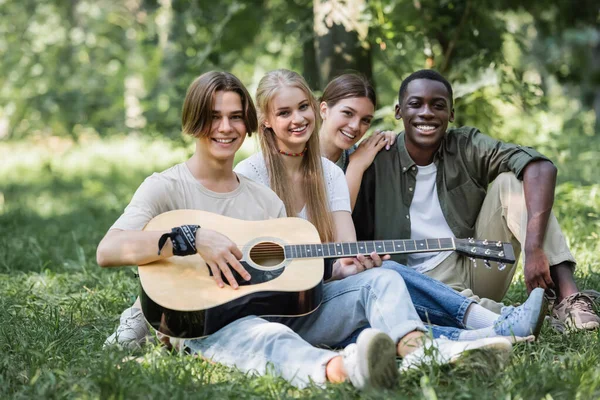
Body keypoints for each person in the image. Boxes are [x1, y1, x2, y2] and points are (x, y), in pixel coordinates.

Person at [97, 70, 512, 390]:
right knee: (267, 335)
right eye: (213, 117)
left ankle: (419, 351)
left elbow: (283, 275)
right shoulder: (166, 186)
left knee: (380, 280)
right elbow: (109, 250)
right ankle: (346, 369)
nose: (224, 128)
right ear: (193, 122)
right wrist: (191, 237)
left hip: (279, 310)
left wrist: (344, 271)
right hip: (208, 322)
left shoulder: (264, 200)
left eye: (234, 118)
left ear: (247, 126)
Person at [351, 69, 600, 331]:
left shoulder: (465, 145)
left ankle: (568, 297)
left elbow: (540, 167)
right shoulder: (376, 158)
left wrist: (533, 250)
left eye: (438, 105)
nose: (426, 113)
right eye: (416, 104)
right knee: (462, 312)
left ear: (451, 114)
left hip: (476, 263)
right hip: (414, 280)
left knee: (513, 182)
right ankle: (528, 316)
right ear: (399, 111)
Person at [317, 72, 549, 340]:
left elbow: (536, 163)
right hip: (371, 278)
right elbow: (336, 236)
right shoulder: (350, 163)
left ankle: (560, 300)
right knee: (387, 279)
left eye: (365, 120)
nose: (355, 126)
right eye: (347, 114)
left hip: (465, 262)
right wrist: (357, 166)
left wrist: (534, 249)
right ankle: (502, 321)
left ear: (451, 113)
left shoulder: (364, 154)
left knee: (520, 181)